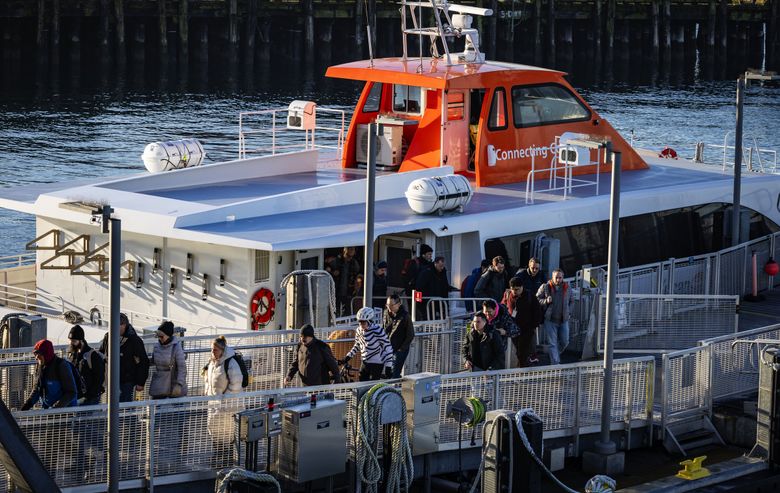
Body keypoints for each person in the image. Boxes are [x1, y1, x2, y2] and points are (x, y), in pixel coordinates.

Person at [99, 313, 150, 402]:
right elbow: (101, 354)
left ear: (124, 325)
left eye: (116, 325)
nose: (113, 328)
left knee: (125, 407)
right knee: (112, 405)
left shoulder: (134, 340)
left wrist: (140, 382)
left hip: (127, 381)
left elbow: (143, 362)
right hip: (111, 379)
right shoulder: (108, 337)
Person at [21, 339, 78, 410]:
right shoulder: (40, 365)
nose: (36, 358)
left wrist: (55, 409)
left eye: (39, 355)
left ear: (46, 354)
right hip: (49, 409)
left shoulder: (62, 366)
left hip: (65, 412)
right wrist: (27, 405)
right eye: (35, 355)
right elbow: (37, 389)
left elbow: (71, 392)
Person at [341, 307, 394, 381]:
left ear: (369, 321)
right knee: (362, 383)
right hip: (365, 362)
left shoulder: (377, 330)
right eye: (359, 322)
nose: (361, 324)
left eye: (363, 322)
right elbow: (357, 345)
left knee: (373, 386)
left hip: (377, 362)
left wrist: (388, 366)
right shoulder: (359, 330)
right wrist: (347, 357)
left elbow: (387, 347)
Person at [501, 278, 543, 367]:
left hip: (526, 329)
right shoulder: (508, 295)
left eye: (517, 289)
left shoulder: (530, 296)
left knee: (522, 352)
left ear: (522, 287)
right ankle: (522, 369)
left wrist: (534, 325)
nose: (515, 291)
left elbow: (537, 311)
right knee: (519, 352)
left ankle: (521, 370)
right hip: (513, 328)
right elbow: (503, 307)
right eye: (513, 289)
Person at [514, 257, 548, 363]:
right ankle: (526, 355)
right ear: (529, 265)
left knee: (531, 331)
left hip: (534, 307)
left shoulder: (541, 275)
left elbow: (545, 289)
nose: (534, 270)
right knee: (521, 333)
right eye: (533, 268)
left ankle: (530, 355)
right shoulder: (521, 275)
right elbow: (514, 287)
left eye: (537, 269)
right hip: (522, 306)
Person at [537, 268, 573, 365]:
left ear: (563, 278)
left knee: (565, 342)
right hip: (550, 320)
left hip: (563, 319)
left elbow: (571, 301)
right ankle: (556, 364)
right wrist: (545, 301)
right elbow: (537, 299)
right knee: (552, 343)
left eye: (560, 277)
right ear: (552, 277)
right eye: (556, 277)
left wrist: (569, 312)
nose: (558, 280)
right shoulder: (545, 287)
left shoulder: (567, 287)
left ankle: (554, 355)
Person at [67, 324, 105, 405]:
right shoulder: (72, 354)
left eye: (74, 341)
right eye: (70, 341)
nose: (71, 343)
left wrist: (87, 396)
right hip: (78, 395)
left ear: (81, 340)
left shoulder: (92, 355)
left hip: (90, 397)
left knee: (88, 417)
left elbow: (99, 378)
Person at [149, 321, 187, 399]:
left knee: (175, 410)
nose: (159, 338)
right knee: (156, 409)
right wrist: (142, 361)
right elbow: (153, 361)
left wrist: (179, 385)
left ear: (168, 335)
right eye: (158, 336)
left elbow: (182, 368)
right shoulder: (156, 346)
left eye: (162, 336)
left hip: (173, 386)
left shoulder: (176, 347)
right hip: (160, 385)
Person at [383, 294, 414, 378]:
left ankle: (395, 389)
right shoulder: (386, 313)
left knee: (395, 373)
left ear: (399, 304)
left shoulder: (405, 316)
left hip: (400, 349)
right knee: (387, 372)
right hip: (389, 347)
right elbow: (385, 329)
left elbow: (410, 334)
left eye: (391, 305)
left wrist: (401, 349)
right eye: (387, 305)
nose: (389, 307)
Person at [415, 256, 456, 320]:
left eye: (443, 266)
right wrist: (419, 303)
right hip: (428, 302)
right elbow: (419, 287)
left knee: (444, 320)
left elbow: (444, 285)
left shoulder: (442, 272)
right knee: (429, 320)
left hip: (440, 301)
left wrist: (450, 288)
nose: (442, 268)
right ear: (435, 263)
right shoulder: (426, 272)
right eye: (440, 266)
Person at [329, 246, 362, 316]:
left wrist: (358, 281)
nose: (352, 251)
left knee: (347, 310)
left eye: (353, 249)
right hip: (336, 290)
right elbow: (328, 270)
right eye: (350, 249)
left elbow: (359, 273)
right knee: (335, 309)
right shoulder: (337, 260)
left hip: (349, 291)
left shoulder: (354, 263)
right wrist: (333, 272)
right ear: (345, 250)